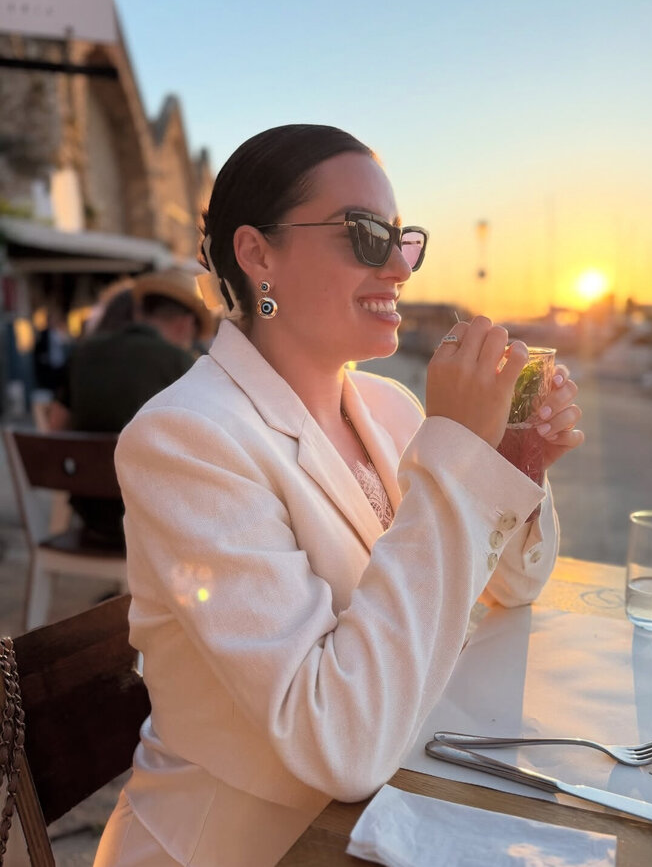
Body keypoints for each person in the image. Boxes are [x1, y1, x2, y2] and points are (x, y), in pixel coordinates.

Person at [93, 124, 584, 867]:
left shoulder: (389, 406)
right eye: (363, 234)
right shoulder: (185, 440)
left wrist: (510, 460)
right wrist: (458, 458)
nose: (400, 267)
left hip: (389, 810)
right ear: (257, 253)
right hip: (242, 844)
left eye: (403, 239)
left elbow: (512, 587)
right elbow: (338, 742)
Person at [50, 269, 214, 543]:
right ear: (186, 324)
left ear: (139, 312)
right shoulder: (183, 363)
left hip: (90, 520)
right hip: (156, 529)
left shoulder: (84, 352)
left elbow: (56, 428)